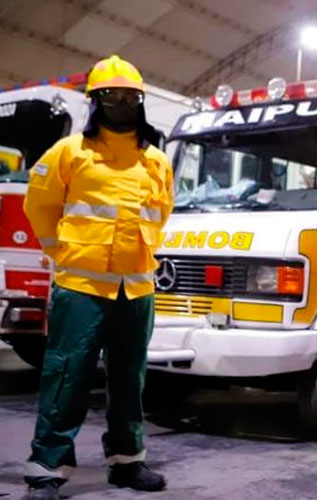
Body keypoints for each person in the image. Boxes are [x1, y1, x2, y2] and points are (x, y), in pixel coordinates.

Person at [21, 55, 174, 500]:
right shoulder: (70, 152)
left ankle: (128, 462)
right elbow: (40, 206)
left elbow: (160, 215)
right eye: (111, 95)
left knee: (131, 378)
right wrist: (61, 254)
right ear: (95, 101)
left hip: (137, 289)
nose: (122, 102)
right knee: (66, 374)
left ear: (141, 101)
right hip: (80, 289)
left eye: (130, 96)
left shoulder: (157, 162)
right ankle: (46, 468)